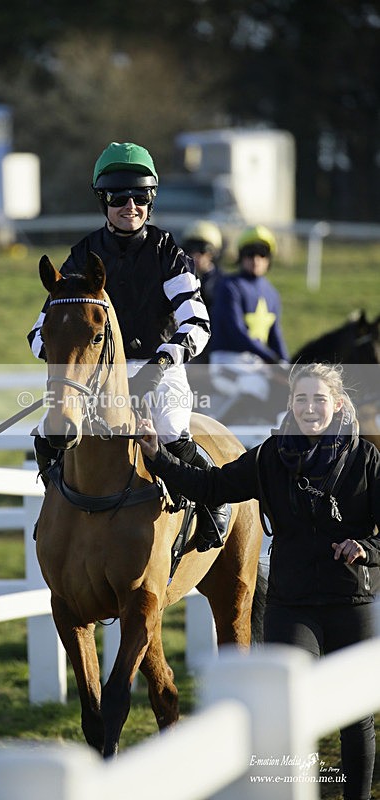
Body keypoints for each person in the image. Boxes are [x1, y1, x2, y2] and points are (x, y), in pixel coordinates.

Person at [138, 361, 380, 800]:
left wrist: (367, 548)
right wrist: (159, 457)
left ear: (338, 404)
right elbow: (210, 487)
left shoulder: (366, 460)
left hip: (351, 599)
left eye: (319, 400)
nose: (310, 408)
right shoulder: (271, 456)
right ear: (291, 403)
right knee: (287, 706)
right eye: (301, 399)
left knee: (356, 715)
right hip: (293, 603)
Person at [27, 140, 229, 550]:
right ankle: (56, 513)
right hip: (95, 376)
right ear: (104, 200)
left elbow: (197, 322)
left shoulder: (168, 252)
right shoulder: (82, 255)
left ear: (150, 201)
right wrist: (66, 366)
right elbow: (39, 330)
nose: (130, 205)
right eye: (119, 197)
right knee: (47, 433)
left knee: (173, 431)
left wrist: (161, 361)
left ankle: (213, 508)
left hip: (159, 367)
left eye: (140, 196)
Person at [208, 224, 289, 422]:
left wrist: (287, 365)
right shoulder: (229, 286)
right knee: (255, 385)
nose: (255, 259)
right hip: (226, 361)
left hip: (256, 363)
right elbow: (237, 332)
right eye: (249, 253)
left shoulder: (272, 293)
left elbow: (275, 335)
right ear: (240, 256)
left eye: (262, 254)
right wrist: (272, 360)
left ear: (269, 259)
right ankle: (219, 430)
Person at [181, 219, 224, 311]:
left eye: (202, 250)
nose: (195, 255)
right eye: (191, 249)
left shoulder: (222, 283)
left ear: (213, 253)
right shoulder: (180, 280)